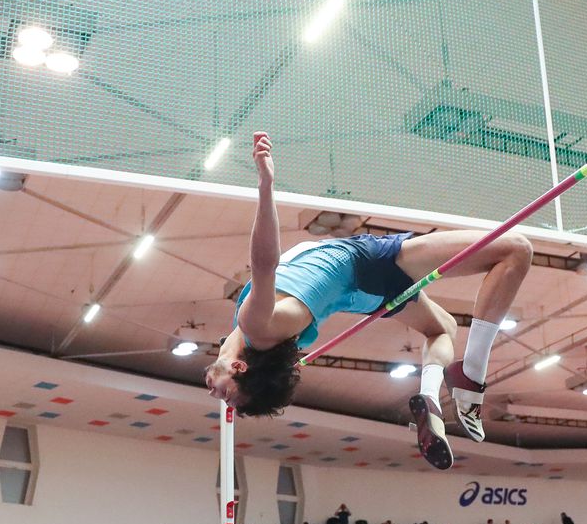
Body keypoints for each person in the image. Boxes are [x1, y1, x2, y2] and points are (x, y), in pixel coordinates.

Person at [204, 132, 533, 469]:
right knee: (516, 249)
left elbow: (254, 363)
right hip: (364, 264)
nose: (216, 396)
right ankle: (471, 378)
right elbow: (263, 265)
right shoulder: (256, 327)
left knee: (444, 328)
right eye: (226, 394)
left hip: (363, 296)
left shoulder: (254, 342)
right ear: (239, 366)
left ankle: (432, 397)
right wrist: (266, 184)